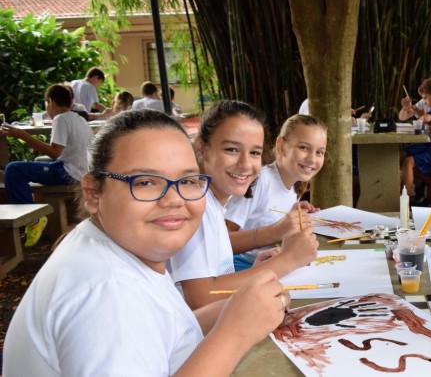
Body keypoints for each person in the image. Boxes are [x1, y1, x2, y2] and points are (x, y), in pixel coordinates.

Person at [2, 109, 287, 376]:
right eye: (146, 182)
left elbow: (168, 332)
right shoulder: (105, 295)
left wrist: (238, 307)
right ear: (93, 192)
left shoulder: (120, 252)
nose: (174, 199)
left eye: (188, 181)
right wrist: (235, 333)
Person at [169, 100, 318, 309]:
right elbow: (201, 297)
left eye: (254, 153)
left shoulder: (210, 201)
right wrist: (288, 259)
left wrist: (256, 271)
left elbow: (215, 277)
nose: (245, 164)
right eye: (231, 149)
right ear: (202, 146)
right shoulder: (196, 205)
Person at [226, 114, 327, 271]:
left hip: (272, 264)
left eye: (319, 152)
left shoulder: (296, 184)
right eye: (304, 148)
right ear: (281, 145)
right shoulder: (260, 181)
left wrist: (295, 216)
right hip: (241, 268)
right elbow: (222, 240)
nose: (312, 159)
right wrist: (278, 230)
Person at [0, 83, 94, 246]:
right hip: (80, 170)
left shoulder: (61, 118)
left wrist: (22, 135)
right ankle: (32, 215)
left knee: (14, 169)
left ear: (50, 101)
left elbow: (54, 152)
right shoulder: (78, 119)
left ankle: (32, 219)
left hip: (68, 172)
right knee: (29, 166)